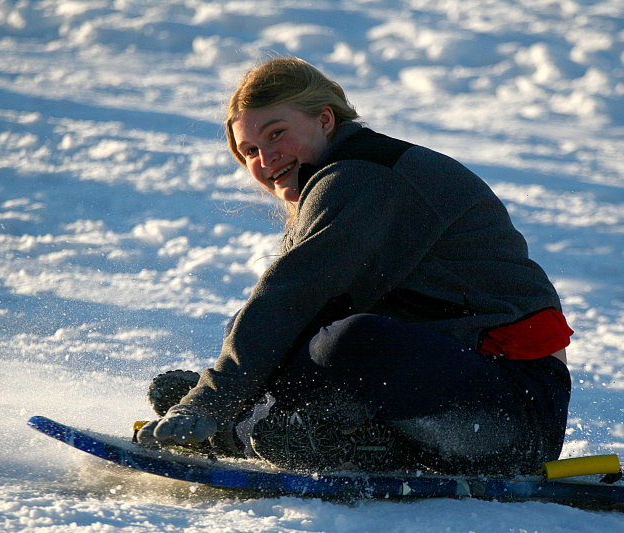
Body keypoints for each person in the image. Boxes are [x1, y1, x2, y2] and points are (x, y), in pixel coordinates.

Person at [137, 57, 573, 476]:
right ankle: (294, 429)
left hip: (513, 417)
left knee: (351, 340)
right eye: (249, 149)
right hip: (457, 399)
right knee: (290, 333)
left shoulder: (364, 176)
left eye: (277, 133)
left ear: (325, 119)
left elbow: (291, 298)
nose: (265, 158)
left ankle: (246, 426)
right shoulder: (338, 177)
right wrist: (224, 392)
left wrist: (208, 403)